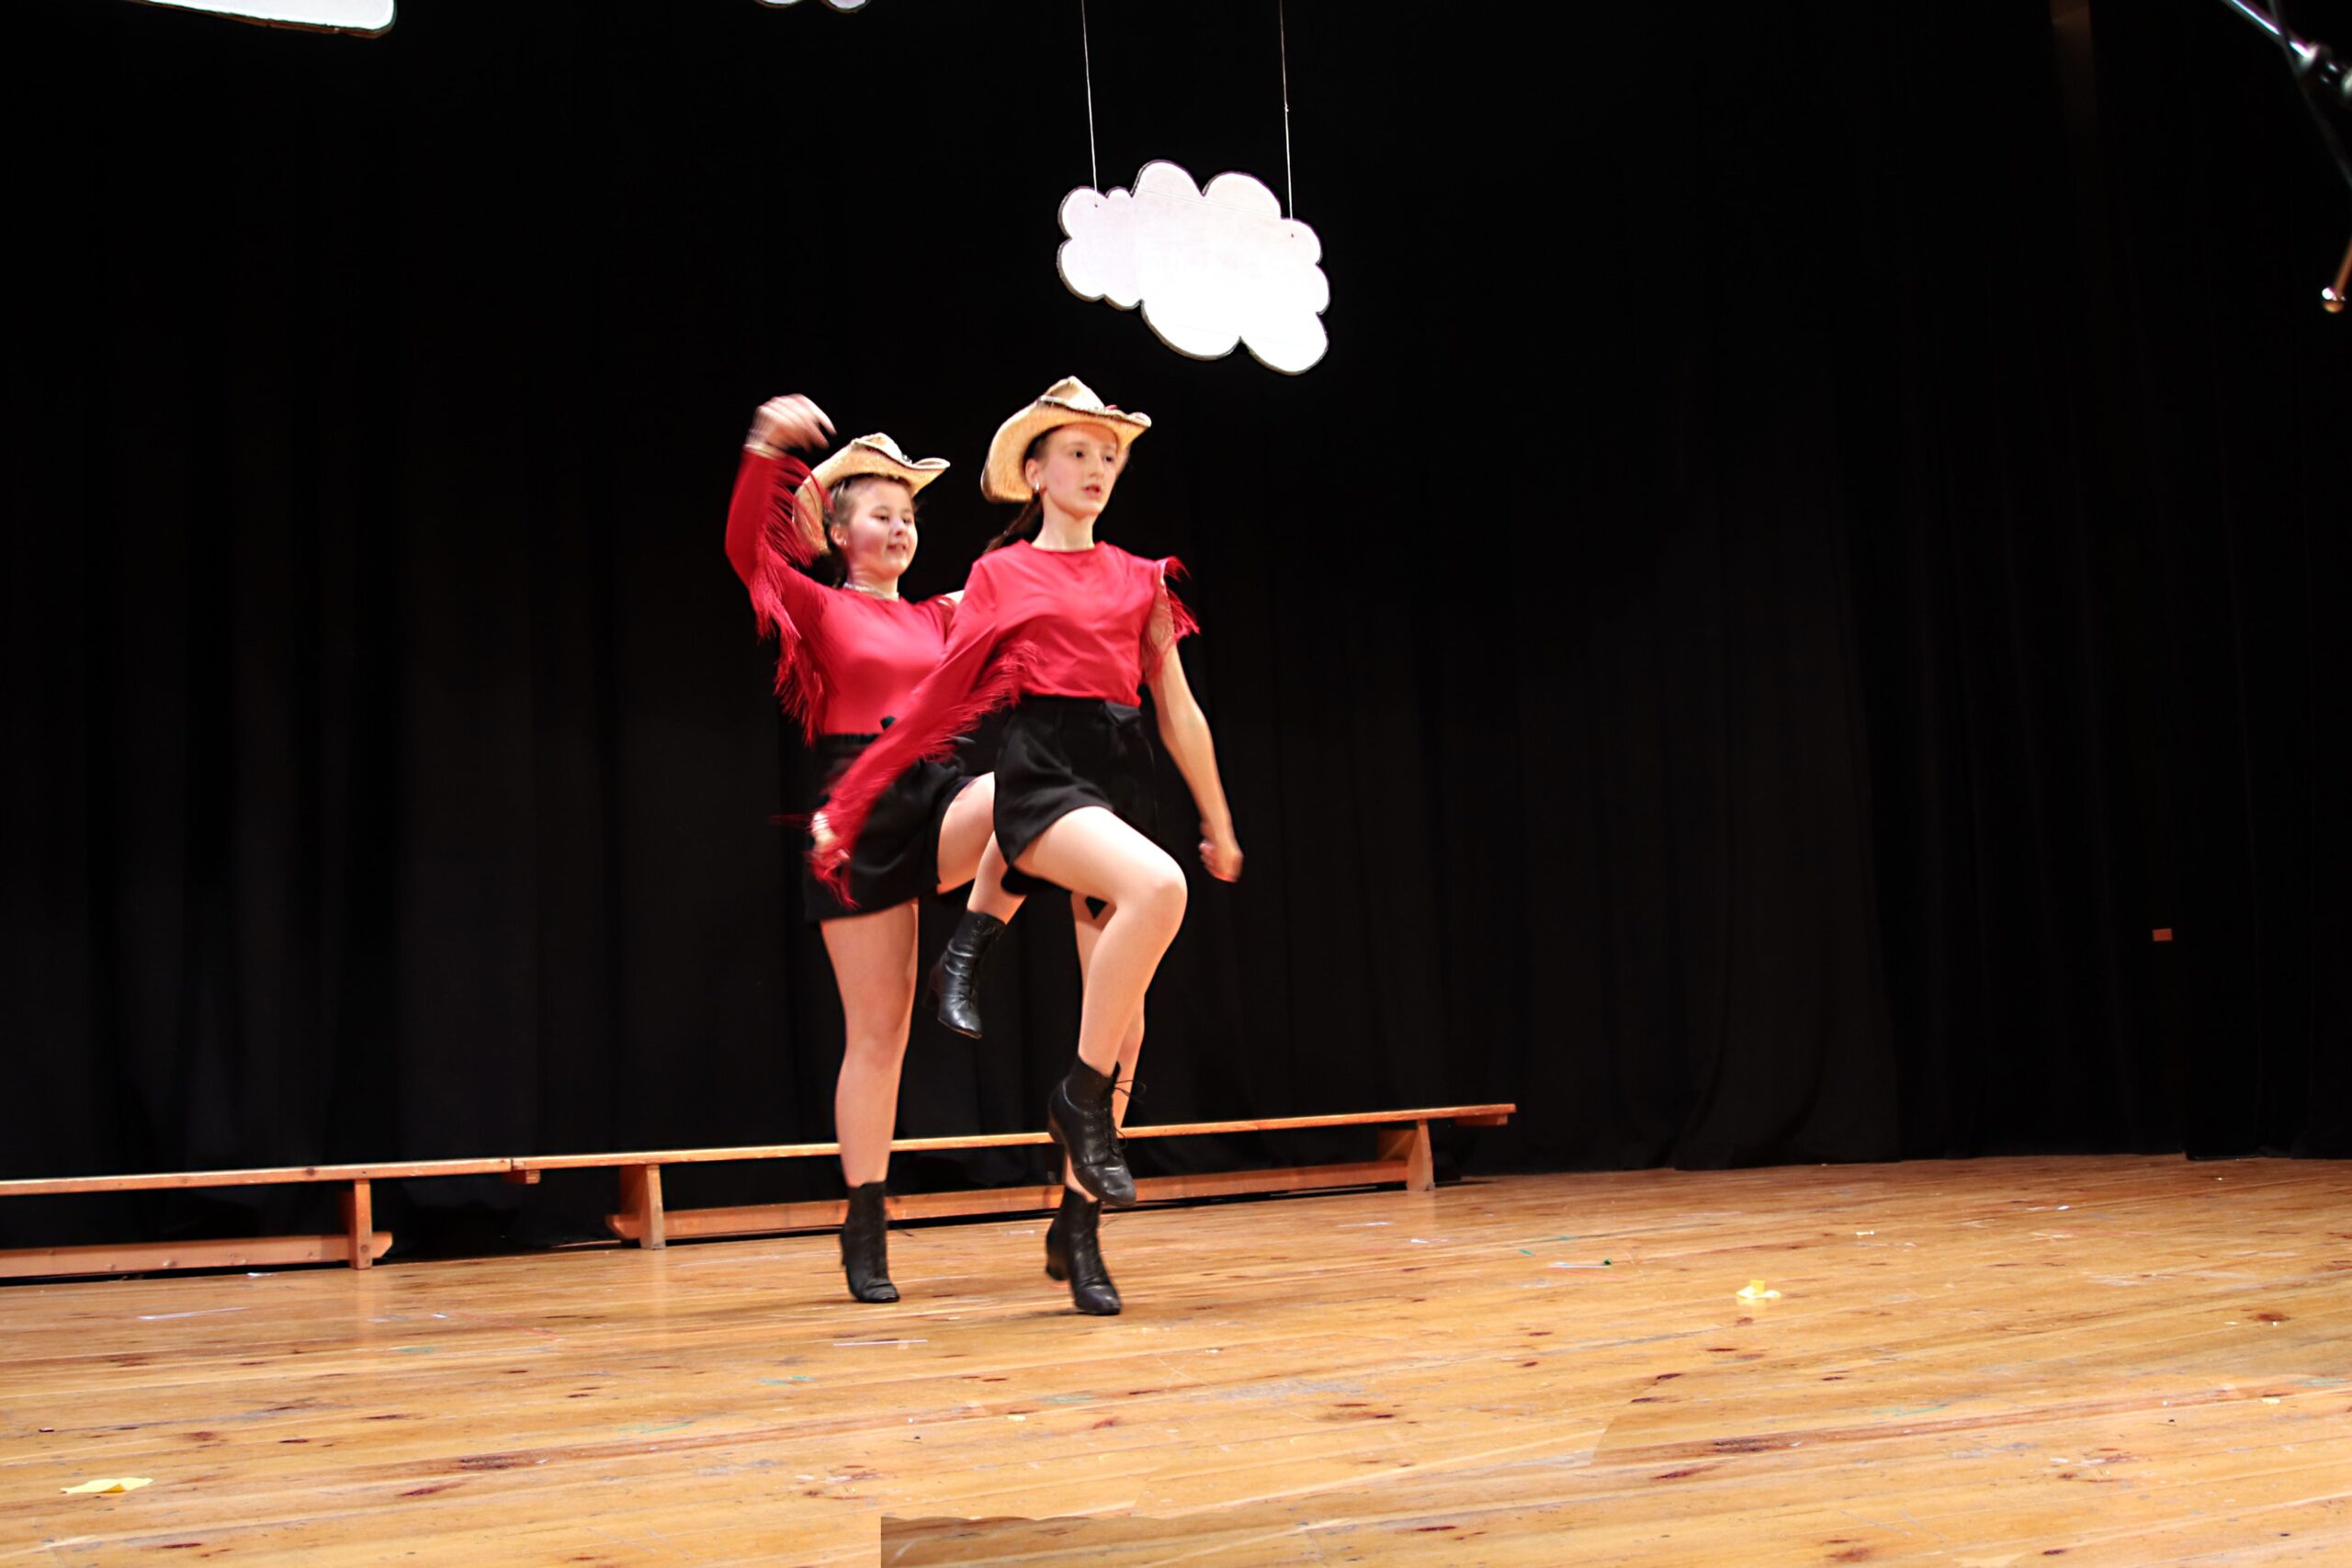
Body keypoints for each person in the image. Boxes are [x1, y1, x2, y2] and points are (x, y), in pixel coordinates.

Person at [810, 377, 1242, 1315]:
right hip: (1042, 776)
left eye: (1108, 455)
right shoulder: (1001, 576)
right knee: (1154, 889)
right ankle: (1039, 1057)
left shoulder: (1142, 576)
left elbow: (1178, 708)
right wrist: (849, 795)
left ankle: (1077, 1228)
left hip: (1119, 777)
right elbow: (940, 696)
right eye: (1076, 452)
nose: (1096, 468)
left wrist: (1218, 817)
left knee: (1126, 1024)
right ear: (1035, 472)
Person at [723, 394, 1022, 1304]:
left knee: (1029, 790)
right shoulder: (817, 605)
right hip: (854, 813)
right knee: (879, 1034)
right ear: (839, 532)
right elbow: (749, 551)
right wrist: (768, 448)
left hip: (935, 791)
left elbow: (1029, 586)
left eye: (908, 517)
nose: (898, 529)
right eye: (880, 514)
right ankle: (864, 1219)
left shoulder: (939, 615)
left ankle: (967, 952)